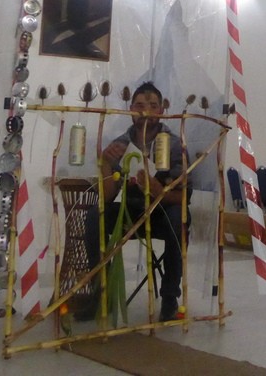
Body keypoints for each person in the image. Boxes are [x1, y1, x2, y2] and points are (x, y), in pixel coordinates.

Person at [80, 81, 190, 323]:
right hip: (129, 213)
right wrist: (106, 164)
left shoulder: (173, 145)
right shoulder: (120, 144)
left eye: (152, 106)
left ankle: (170, 297)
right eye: (139, 105)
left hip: (161, 214)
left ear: (161, 110)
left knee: (179, 217)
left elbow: (184, 197)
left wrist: (158, 190)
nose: (146, 111)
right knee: (94, 215)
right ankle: (100, 292)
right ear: (131, 110)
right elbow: (108, 196)